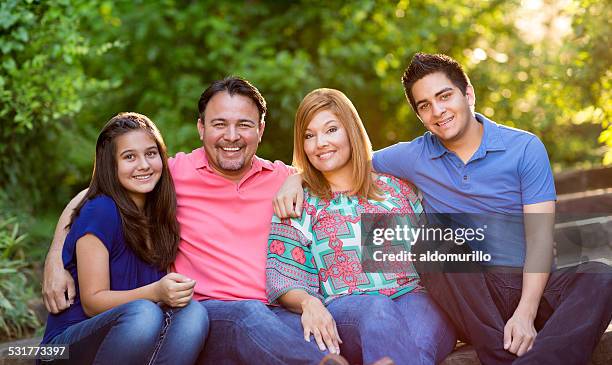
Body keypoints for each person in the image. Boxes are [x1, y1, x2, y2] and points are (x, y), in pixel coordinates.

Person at [275, 53, 612, 365]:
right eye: (425, 105)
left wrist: (525, 312)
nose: (437, 111)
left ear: (468, 94)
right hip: (474, 292)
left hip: (533, 282)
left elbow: (540, 240)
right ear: (419, 115)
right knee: (436, 245)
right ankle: (500, 354)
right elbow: (342, 158)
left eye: (445, 96)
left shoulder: (524, 147)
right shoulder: (411, 157)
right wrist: (297, 177)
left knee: (602, 274)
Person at [42, 78, 353, 365]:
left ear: (260, 129)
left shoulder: (282, 178)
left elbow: (345, 174)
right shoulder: (172, 174)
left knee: (345, 319)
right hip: (211, 314)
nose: (231, 136)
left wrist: (297, 177)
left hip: (275, 309)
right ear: (201, 128)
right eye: (219, 124)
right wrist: (55, 259)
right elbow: (94, 196)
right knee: (242, 314)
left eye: (243, 125)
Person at [266, 88, 456, 365]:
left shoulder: (398, 189)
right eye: (309, 135)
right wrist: (309, 303)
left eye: (331, 130)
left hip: (414, 297)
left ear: (351, 130)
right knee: (375, 308)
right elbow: (284, 277)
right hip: (348, 312)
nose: (320, 143)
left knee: (418, 341)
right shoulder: (297, 202)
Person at [40, 112, 209, 365]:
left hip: (130, 338)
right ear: (111, 165)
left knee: (193, 312)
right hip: (63, 347)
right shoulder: (101, 210)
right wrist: (156, 292)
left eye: (151, 154)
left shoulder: (159, 213)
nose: (143, 164)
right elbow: (93, 302)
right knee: (144, 313)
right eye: (129, 157)